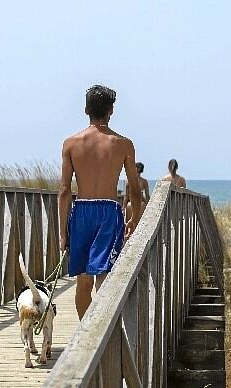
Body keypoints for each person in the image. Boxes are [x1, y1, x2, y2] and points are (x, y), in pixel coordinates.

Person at [58, 85, 142, 320]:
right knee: (104, 278)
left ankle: (86, 331)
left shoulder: (71, 144)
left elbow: (64, 190)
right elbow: (134, 188)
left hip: (82, 210)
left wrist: (63, 232)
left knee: (82, 282)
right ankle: (101, 337)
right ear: (111, 111)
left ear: (86, 109)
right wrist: (134, 217)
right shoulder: (123, 144)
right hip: (109, 211)